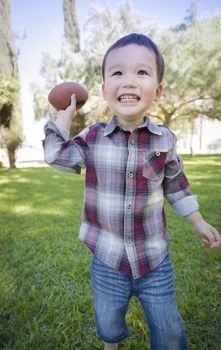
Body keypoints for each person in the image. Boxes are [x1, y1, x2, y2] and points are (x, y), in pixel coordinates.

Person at [43, 33, 221, 350]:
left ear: (159, 89)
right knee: (109, 323)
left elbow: (176, 185)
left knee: (169, 332)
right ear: (104, 90)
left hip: (154, 260)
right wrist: (63, 119)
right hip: (107, 258)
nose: (129, 81)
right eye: (117, 73)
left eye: (141, 72)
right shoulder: (93, 137)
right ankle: (112, 344)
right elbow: (56, 156)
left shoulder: (164, 140)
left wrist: (197, 222)